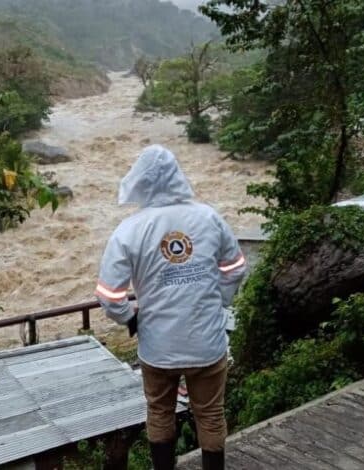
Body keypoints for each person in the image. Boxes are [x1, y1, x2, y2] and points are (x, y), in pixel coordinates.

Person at [94, 145, 247, 470]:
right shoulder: (209, 217)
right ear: (178, 177)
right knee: (211, 415)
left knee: (160, 413)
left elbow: (109, 295)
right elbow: (235, 267)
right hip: (207, 343)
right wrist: (216, 301)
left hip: (158, 348)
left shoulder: (128, 231)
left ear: (140, 183)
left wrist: (131, 318)